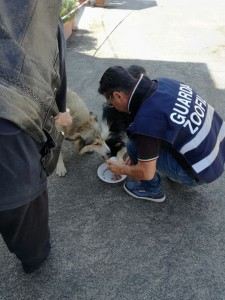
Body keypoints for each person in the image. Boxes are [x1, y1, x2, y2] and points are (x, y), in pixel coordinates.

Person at [0, 1, 72, 273]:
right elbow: (56, 91)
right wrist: (54, 139)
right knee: (26, 220)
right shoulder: (41, 10)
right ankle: (35, 257)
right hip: (11, 125)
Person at [98, 66, 225, 202]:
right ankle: (170, 167)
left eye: (111, 104)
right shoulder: (163, 82)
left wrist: (122, 169)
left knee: (133, 146)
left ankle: (152, 190)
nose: (114, 108)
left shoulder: (146, 120)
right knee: (145, 145)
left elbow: (146, 173)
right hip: (219, 152)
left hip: (200, 173)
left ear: (118, 95)